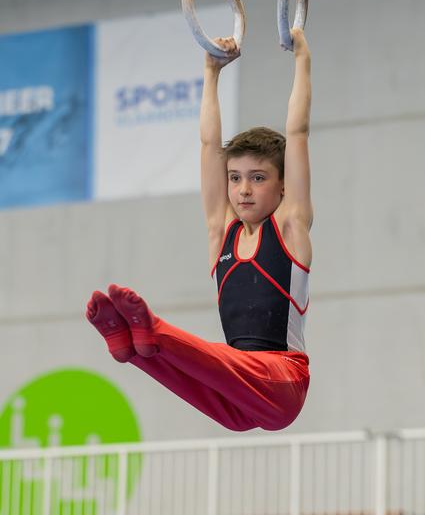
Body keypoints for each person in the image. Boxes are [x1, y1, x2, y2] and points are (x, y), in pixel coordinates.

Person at [86, 28, 313, 431]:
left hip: (282, 383)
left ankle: (153, 331)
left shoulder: (289, 226)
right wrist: (211, 74)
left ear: (283, 187)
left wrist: (302, 61)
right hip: (235, 396)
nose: (243, 189)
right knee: (172, 357)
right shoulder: (219, 233)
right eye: (236, 178)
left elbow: (297, 133)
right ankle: (135, 349)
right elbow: (210, 146)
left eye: (258, 178)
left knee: (206, 353)